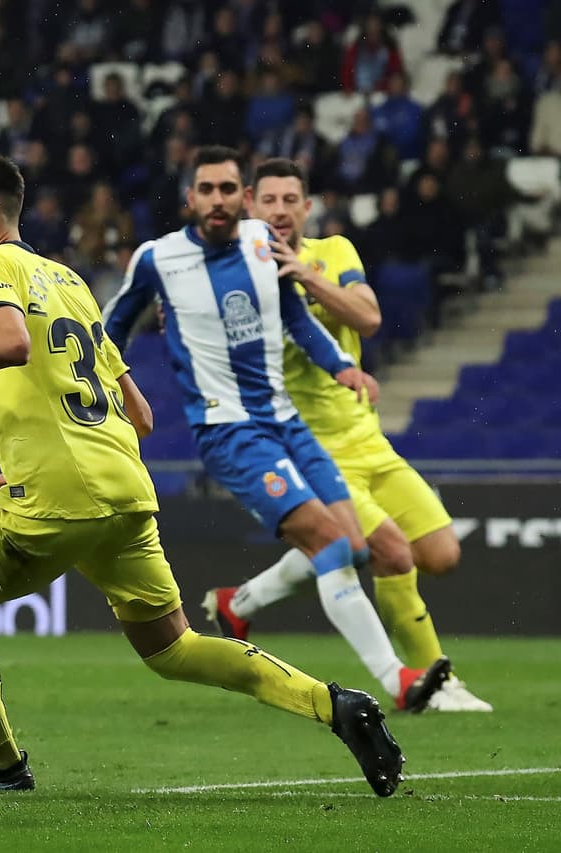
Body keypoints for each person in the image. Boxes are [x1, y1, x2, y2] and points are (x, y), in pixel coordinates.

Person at [0, 148, 409, 798]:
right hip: (122, 487)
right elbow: (139, 412)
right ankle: (334, 703)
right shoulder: (66, 279)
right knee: (174, 647)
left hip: (61, 495)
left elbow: (10, 342)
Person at [103, 145, 451, 714]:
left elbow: (294, 317)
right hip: (229, 431)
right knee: (332, 542)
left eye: (228, 190)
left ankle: (239, 604)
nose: (218, 200)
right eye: (207, 190)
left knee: (356, 546)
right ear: (191, 198)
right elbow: (107, 331)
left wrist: (341, 365)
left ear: (243, 198)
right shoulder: (156, 259)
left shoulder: (263, 245)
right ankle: (398, 679)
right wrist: (117, 391)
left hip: (286, 421)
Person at [208, 157, 491, 712]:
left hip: (369, 440)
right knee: (389, 552)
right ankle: (433, 684)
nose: (281, 210)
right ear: (250, 204)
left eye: (292, 200)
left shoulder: (334, 252)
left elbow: (368, 318)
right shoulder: (229, 272)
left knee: (441, 553)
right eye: (270, 200)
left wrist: (305, 276)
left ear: (307, 208)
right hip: (308, 448)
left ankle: (239, 602)